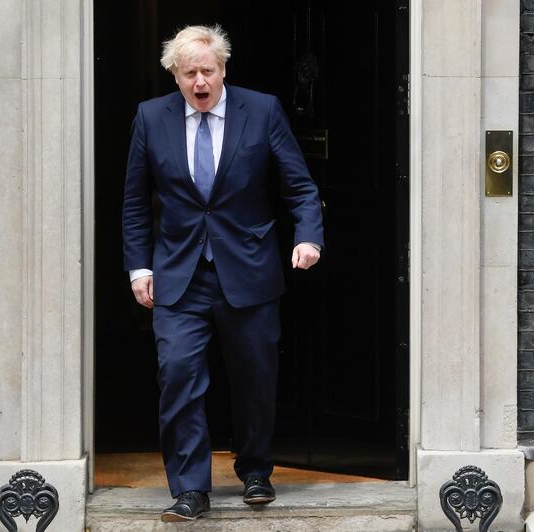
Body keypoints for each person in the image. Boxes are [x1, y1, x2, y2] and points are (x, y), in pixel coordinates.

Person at [122, 24, 324, 522]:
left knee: (255, 377)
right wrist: (139, 267)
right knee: (178, 375)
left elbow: (299, 185)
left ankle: (255, 469)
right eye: (189, 73)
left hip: (249, 270)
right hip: (179, 274)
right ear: (174, 75)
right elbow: (134, 203)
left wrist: (308, 236)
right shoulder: (150, 118)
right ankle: (191, 489)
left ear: (224, 69)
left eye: (207, 71)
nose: (199, 82)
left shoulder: (262, 109)